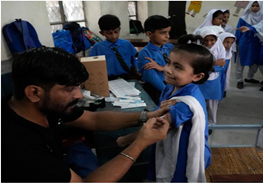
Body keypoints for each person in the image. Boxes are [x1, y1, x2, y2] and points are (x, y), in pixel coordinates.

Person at [1, 47, 172, 183]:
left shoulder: (40, 107)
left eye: (78, 87)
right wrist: (140, 143)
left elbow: (93, 119)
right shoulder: (19, 149)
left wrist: (147, 115)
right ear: (34, 93)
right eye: (69, 88)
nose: (79, 95)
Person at [117, 35, 213, 182]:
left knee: (173, 177)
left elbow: (154, 126)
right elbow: (156, 114)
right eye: (169, 63)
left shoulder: (186, 104)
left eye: (178, 67)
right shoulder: (170, 88)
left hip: (183, 153)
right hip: (168, 144)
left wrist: (127, 139)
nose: (168, 70)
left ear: (197, 76)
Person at [89, 14, 140, 80]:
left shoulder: (127, 44)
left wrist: (136, 69)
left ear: (119, 29)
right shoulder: (97, 48)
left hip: (126, 77)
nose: (113, 36)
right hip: (106, 79)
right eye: (109, 33)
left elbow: (134, 59)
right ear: (102, 33)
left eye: (116, 32)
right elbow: (92, 66)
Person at [137, 15, 173, 104]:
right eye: (163, 33)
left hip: (172, 85)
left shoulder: (170, 47)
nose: (167, 36)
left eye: (168, 32)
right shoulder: (145, 53)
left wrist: (162, 68)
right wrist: (170, 93)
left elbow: (179, 66)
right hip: (157, 89)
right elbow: (153, 78)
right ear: (149, 34)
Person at [195, 26, 226, 130]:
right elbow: (196, 66)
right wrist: (213, 63)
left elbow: (221, 66)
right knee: (199, 101)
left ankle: (211, 124)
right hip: (200, 80)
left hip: (214, 80)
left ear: (216, 39)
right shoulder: (198, 49)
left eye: (212, 40)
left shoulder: (220, 48)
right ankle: (199, 122)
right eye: (206, 40)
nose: (209, 43)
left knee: (212, 104)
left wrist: (206, 66)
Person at [235, 1, 263, 89]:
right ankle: (239, 80)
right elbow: (238, 32)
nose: (255, 8)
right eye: (253, 5)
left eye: (257, 6)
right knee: (241, 63)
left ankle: (249, 77)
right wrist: (236, 43)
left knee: (254, 63)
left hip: (256, 44)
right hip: (244, 43)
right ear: (249, 6)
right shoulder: (243, 18)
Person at [219, 32, 236, 97]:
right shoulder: (214, 53)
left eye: (231, 43)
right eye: (226, 42)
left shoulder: (229, 53)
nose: (229, 45)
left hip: (222, 78)